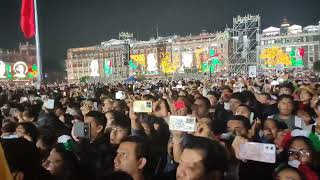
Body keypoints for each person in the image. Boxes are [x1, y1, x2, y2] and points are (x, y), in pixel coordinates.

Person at [73, 111, 115, 179]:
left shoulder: (105, 150)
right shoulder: (84, 141)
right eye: (84, 123)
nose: (83, 127)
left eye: (87, 124)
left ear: (99, 128)